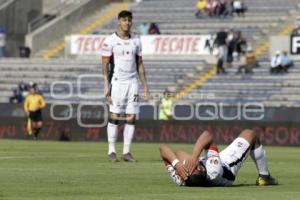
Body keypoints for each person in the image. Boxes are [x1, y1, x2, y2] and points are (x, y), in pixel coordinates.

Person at [102, 10, 150, 162]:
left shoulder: (136, 40)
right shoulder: (109, 41)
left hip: (133, 83)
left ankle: (127, 152)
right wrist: (106, 85)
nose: (127, 23)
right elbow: (104, 66)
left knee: (131, 117)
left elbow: (140, 65)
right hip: (117, 82)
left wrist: (145, 86)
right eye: (124, 20)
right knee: (114, 115)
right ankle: (111, 151)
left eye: (129, 20)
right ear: (118, 21)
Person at [160, 129, 278, 187]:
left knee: (177, 153)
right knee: (251, 134)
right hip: (228, 164)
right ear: (200, 168)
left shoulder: (181, 179)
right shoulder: (213, 170)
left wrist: (177, 164)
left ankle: (184, 161)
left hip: (205, 166)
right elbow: (208, 135)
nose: (188, 165)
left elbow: (163, 149)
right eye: (193, 165)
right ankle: (264, 176)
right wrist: (195, 157)